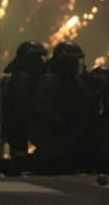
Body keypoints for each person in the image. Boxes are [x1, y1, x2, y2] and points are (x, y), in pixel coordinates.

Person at [30, 42, 89, 175]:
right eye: (72, 61)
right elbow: (42, 107)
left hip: (68, 139)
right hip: (52, 138)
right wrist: (60, 122)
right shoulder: (49, 81)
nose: (76, 66)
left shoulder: (75, 83)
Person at [0, 40, 48, 175]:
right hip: (20, 124)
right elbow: (21, 108)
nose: (40, 62)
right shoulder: (22, 79)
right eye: (36, 58)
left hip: (22, 123)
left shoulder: (28, 78)